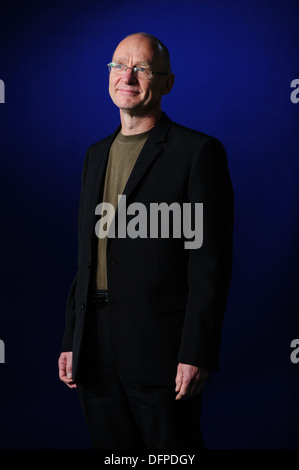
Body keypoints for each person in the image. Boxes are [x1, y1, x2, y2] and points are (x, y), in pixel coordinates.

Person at [58, 32, 234, 449]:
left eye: (142, 68)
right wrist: (72, 340)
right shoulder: (94, 154)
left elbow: (210, 263)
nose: (128, 77)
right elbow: (87, 258)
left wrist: (197, 351)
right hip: (94, 345)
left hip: (163, 349)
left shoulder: (198, 152)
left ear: (167, 82)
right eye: (119, 65)